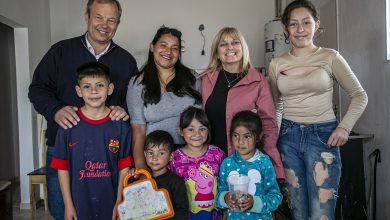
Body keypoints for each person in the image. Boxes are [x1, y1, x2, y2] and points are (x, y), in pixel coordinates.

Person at [28, 0, 137, 218]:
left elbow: (134, 101)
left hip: (108, 152)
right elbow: (37, 89)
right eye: (98, 17)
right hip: (64, 148)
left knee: (107, 210)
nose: (104, 24)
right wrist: (56, 109)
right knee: (64, 210)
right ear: (86, 17)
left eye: (111, 19)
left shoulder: (126, 61)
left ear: (118, 23)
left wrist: (123, 109)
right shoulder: (60, 51)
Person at [268, 1, 368, 219]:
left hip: (323, 138)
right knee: (297, 210)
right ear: (286, 29)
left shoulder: (330, 56)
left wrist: (344, 128)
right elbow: (277, 104)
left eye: (306, 22)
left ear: (316, 24)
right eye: (293, 24)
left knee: (321, 212)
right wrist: (275, 138)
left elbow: (360, 95)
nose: (300, 29)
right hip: (288, 138)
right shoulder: (277, 63)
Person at [49, 62, 133, 220]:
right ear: (78, 91)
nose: (94, 91)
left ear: (110, 88)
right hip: (79, 203)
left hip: (111, 202)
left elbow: (124, 168)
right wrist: (68, 205)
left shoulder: (121, 126)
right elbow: (62, 168)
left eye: (100, 85)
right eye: (87, 86)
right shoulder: (69, 125)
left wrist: (120, 201)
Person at [201, 27, 285, 180]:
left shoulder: (258, 81)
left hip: (247, 162)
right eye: (223, 44)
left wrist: (271, 160)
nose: (230, 47)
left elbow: (268, 124)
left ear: (243, 48)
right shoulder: (206, 79)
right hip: (211, 161)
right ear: (217, 53)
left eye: (235, 42)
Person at [127, 27, 202, 170]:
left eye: (175, 48)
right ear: (152, 47)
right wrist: (141, 169)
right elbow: (138, 129)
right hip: (155, 157)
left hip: (190, 154)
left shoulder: (192, 78)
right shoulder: (137, 83)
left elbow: (201, 120)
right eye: (163, 45)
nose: (168, 52)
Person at [217, 110, 282, 220]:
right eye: (236, 135)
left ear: (258, 137)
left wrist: (254, 203)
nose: (240, 142)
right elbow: (219, 195)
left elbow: (275, 197)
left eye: (247, 136)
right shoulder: (227, 163)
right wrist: (225, 198)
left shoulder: (264, 163)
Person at [168, 107, 225, 219]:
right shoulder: (175, 158)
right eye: (191, 129)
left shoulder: (217, 154)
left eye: (202, 129)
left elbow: (225, 184)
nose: (197, 134)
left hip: (213, 215)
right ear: (180, 131)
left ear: (208, 130)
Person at [141, 130, 189, 219]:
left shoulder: (176, 182)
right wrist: (132, 173)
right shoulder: (141, 180)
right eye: (150, 153)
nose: (155, 158)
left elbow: (183, 212)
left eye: (161, 153)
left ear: (171, 156)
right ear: (145, 154)